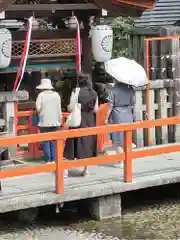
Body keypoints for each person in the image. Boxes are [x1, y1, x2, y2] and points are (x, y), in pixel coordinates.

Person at [64, 72, 99, 176]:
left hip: (78, 119)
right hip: (89, 120)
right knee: (87, 144)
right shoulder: (94, 93)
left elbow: (70, 107)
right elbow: (96, 109)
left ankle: (65, 170)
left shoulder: (76, 91)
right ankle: (86, 169)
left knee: (72, 144)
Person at [35, 78, 68, 175]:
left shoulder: (41, 95)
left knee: (45, 141)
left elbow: (38, 108)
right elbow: (59, 108)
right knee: (54, 141)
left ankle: (48, 160)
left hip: (44, 121)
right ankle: (54, 159)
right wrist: (60, 119)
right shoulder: (56, 95)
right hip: (55, 121)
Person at [105, 80, 136, 164]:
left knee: (118, 138)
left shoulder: (113, 90)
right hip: (128, 112)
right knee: (127, 138)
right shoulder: (130, 89)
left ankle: (120, 161)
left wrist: (106, 118)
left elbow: (110, 106)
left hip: (117, 113)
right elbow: (133, 103)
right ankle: (128, 159)